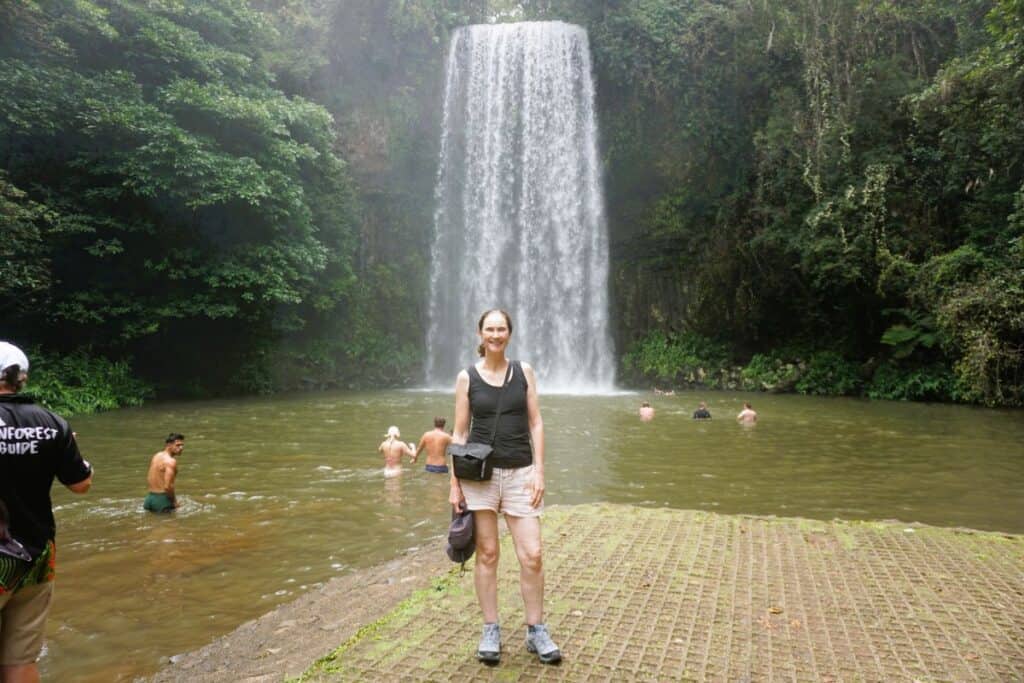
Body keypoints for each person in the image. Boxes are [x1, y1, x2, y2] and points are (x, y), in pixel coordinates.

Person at [449, 309, 561, 665]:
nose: (495, 335)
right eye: (490, 329)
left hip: (521, 474)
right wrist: (454, 485)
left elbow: (536, 423)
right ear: (480, 334)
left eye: (501, 329)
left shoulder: (524, 372)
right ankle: (490, 628)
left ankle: (536, 629)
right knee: (488, 553)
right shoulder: (467, 378)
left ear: (509, 334)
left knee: (533, 554)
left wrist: (539, 471)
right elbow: (459, 433)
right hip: (479, 476)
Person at [0, 342, 93, 683]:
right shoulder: (53, 424)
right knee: (20, 659)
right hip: (37, 554)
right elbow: (81, 484)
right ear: (21, 377)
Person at [145, 433, 185, 512]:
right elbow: (168, 486)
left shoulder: (157, 455)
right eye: (177, 445)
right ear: (169, 445)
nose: (181, 448)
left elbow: (149, 477)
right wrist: (174, 502)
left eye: (182, 445)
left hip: (149, 498)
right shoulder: (171, 461)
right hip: (162, 500)